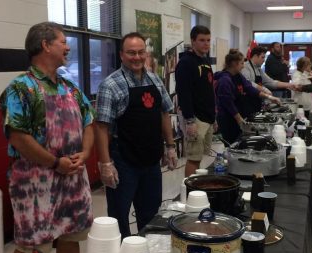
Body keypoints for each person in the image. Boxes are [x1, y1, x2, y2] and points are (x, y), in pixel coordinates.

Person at [0, 22, 95, 253]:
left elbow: (90, 122)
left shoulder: (70, 88)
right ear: (45, 45)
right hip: (35, 184)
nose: (68, 48)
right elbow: (18, 137)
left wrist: (85, 152)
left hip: (72, 178)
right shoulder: (20, 89)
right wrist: (55, 163)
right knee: (29, 245)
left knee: (71, 235)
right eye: (63, 42)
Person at [95, 32, 177, 238]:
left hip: (151, 161)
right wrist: (105, 164)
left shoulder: (155, 79)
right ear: (122, 55)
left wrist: (170, 146)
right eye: (131, 53)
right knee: (119, 215)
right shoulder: (110, 85)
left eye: (141, 52)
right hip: (123, 162)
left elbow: (164, 113)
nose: (137, 57)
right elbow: (101, 127)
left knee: (150, 214)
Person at [175, 25, 217, 177]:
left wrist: (213, 117)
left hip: (207, 117)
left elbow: (208, 91)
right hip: (195, 118)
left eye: (208, 40)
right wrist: (189, 120)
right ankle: (191, 191)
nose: (206, 43)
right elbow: (183, 93)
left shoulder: (204, 61)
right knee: (193, 159)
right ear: (193, 41)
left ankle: (197, 186)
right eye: (201, 40)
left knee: (200, 157)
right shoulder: (186, 63)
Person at [215, 49, 280, 143]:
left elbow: (250, 88)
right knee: (231, 144)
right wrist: (239, 119)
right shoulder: (225, 80)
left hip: (237, 116)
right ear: (234, 64)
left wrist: (269, 97)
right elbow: (228, 102)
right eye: (241, 63)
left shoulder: (238, 76)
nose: (243, 66)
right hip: (227, 118)